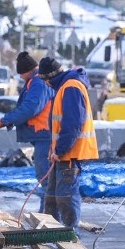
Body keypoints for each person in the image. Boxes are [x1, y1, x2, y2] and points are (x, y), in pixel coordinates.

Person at [40, 56, 98, 235]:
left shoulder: (71, 87)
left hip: (70, 154)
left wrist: (60, 148)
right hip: (63, 154)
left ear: (49, 77)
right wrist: (55, 148)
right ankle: (51, 236)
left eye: (44, 80)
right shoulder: (65, 87)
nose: (46, 85)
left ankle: (70, 237)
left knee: (66, 198)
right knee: (52, 198)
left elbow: (73, 124)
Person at [0, 52, 54, 211]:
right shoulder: (36, 82)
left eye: (21, 75)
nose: (21, 78)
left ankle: (49, 219)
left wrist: (5, 120)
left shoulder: (37, 83)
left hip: (45, 136)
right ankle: (47, 216)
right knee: (47, 180)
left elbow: (29, 108)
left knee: (46, 180)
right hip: (45, 135)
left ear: (25, 71)